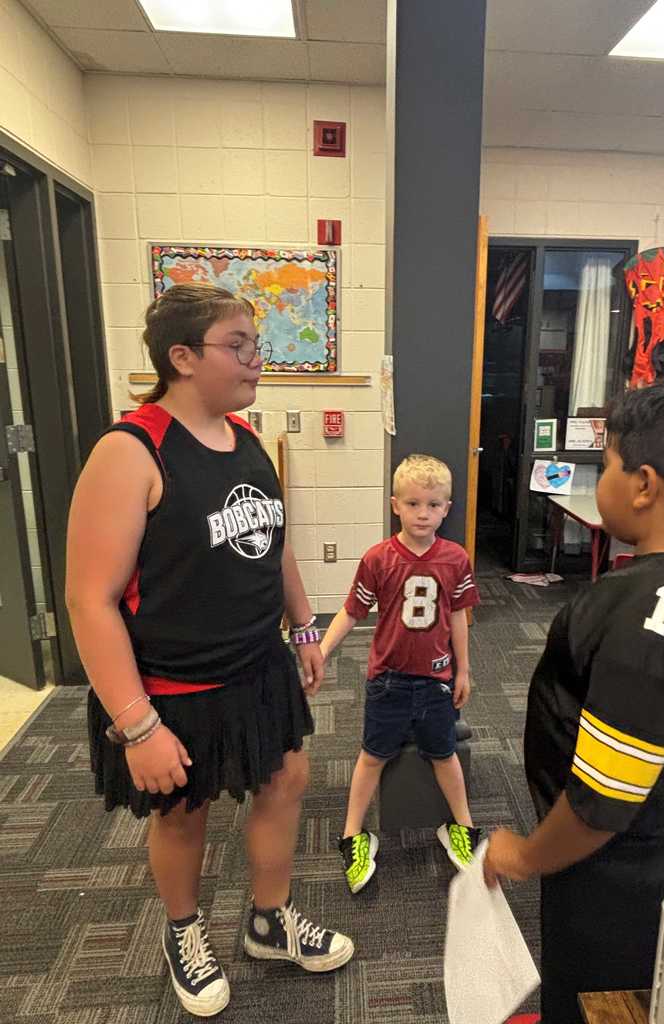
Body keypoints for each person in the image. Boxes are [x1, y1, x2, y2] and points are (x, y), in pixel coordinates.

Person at [65, 283, 353, 1018]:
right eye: (240, 346)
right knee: (181, 814)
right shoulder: (129, 451)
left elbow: (272, 543)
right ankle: (184, 931)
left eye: (256, 345)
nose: (257, 360)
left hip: (258, 666)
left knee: (287, 778)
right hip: (171, 686)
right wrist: (137, 724)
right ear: (183, 357)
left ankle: (268, 919)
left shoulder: (246, 439)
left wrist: (305, 627)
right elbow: (88, 600)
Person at [484, 380, 664, 1024]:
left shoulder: (647, 619)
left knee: (599, 999)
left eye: (608, 466)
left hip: (615, 868)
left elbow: (604, 804)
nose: (600, 481)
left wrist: (522, 855)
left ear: (644, 485)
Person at [321, 454, 482, 894]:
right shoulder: (379, 559)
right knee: (372, 754)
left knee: (443, 753)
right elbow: (352, 611)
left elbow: (458, 618)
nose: (422, 513)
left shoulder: (455, 559)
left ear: (446, 508)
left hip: (435, 680)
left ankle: (463, 828)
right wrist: (321, 650)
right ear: (395, 505)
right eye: (413, 504)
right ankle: (352, 835)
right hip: (388, 680)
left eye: (432, 505)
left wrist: (463, 670)